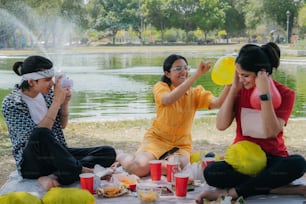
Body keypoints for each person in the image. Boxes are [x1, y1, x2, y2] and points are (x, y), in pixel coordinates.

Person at [196, 42, 306, 203]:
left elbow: (271, 132)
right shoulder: (238, 89)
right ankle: (274, 187)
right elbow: (221, 125)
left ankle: (233, 192)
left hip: (273, 159)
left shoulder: (286, 94)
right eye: (238, 74)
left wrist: (264, 94)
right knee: (212, 172)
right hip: (244, 160)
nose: (241, 79)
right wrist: (233, 89)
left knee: (298, 163)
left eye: (245, 75)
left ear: (262, 73)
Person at [2, 55, 116, 191]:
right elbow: (36, 139)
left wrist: (65, 103)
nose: (52, 84)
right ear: (32, 82)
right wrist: (56, 102)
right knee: (41, 133)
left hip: (57, 158)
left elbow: (62, 125)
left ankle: (54, 176)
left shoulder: (47, 94)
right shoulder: (12, 103)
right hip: (32, 164)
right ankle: (84, 171)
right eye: (47, 80)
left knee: (107, 153)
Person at [117, 54, 231, 177]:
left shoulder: (196, 93)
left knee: (173, 168)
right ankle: (119, 155)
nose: (183, 72)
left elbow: (218, 103)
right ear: (167, 74)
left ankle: (152, 163)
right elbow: (168, 99)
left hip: (181, 145)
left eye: (186, 68)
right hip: (156, 140)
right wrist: (197, 75)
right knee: (139, 169)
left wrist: (230, 83)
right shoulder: (160, 87)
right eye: (178, 69)